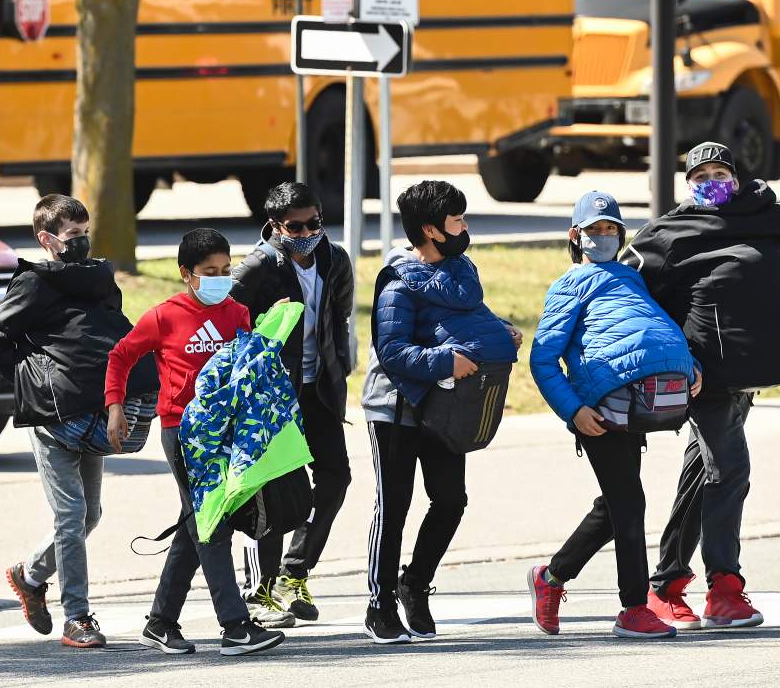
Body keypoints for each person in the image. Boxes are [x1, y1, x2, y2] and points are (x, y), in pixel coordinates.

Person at [623, 142, 780, 630]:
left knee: (705, 470)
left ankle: (666, 585)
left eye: (720, 172)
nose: (710, 181)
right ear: (687, 183)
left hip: (751, 368)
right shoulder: (669, 233)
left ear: (736, 177)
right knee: (730, 467)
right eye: (700, 176)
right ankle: (724, 588)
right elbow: (632, 291)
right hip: (703, 375)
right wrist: (669, 351)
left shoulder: (774, 217)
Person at [0, 195, 158, 649]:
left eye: (84, 233)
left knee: (89, 515)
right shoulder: (34, 284)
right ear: (47, 239)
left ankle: (29, 574)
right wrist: (36, 378)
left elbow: (113, 327)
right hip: (53, 416)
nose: (81, 242)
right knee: (72, 514)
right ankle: (77, 617)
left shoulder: (99, 278)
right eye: (72, 236)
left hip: (95, 407)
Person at [527, 191, 700, 640]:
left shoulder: (630, 277)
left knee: (616, 505)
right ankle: (633, 607)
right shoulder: (570, 284)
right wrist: (574, 411)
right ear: (574, 235)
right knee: (628, 502)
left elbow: (650, 324)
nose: (603, 236)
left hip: (635, 402)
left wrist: (687, 366)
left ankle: (551, 578)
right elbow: (543, 360)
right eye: (594, 229)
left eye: (610, 229)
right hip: (598, 409)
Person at [104, 228, 284, 657]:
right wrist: (115, 406)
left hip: (227, 430)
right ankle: (235, 626)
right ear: (187, 274)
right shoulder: (164, 316)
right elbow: (120, 356)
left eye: (225, 270)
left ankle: (160, 621)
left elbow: (246, 363)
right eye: (209, 272)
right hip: (182, 430)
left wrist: (268, 326)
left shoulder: (237, 312)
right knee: (211, 521)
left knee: (194, 521)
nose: (220, 278)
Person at [360, 180, 522, 644]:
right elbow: (391, 349)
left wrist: (499, 330)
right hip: (394, 406)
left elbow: (460, 318)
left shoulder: (457, 270)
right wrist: (445, 361)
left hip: (444, 405)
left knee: (450, 500)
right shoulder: (398, 279)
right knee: (394, 505)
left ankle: (415, 583)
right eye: (457, 219)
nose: (465, 226)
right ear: (431, 229)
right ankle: (380, 604)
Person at [229, 182, 354, 627]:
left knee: (336, 478)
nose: (306, 232)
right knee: (275, 489)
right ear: (275, 227)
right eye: (295, 226)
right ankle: (258, 592)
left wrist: (341, 369)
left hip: (318, 389)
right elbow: (226, 324)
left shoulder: (335, 259)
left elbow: (338, 320)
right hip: (272, 398)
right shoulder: (258, 268)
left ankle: (294, 573)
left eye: (314, 223)